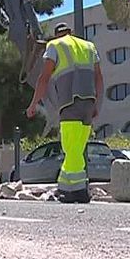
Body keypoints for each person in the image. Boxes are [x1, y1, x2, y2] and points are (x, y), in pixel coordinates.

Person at [26, 22, 103, 203]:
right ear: (71, 32)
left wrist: (33, 104)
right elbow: (99, 77)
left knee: (70, 147)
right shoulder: (89, 46)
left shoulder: (54, 46)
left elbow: (44, 78)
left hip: (69, 101)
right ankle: (67, 188)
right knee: (76, 148)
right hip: (88, 102)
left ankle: (78, 190)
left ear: (56, 35)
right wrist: (97, 103)